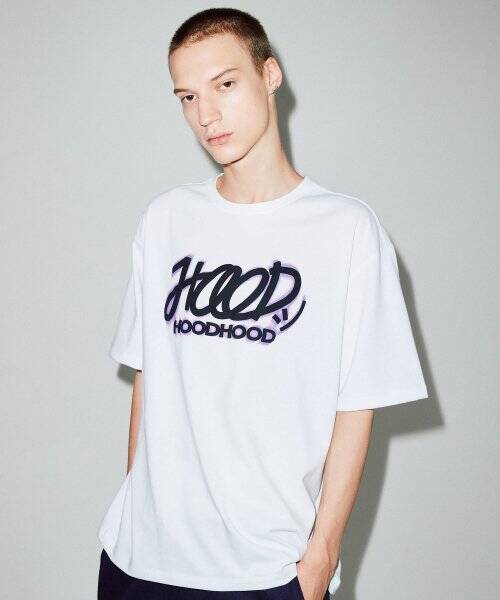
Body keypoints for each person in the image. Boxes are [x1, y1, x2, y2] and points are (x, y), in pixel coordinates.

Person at [97, 7, 428, 600]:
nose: (206, 115)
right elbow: (149, 375)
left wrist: (321, 558)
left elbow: (358, 405)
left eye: (224, 84)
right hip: (139, 560)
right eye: (187, 97)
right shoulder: (166, 220)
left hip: (266, 570)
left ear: (269, 75)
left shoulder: (347, 230)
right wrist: (136, 506)